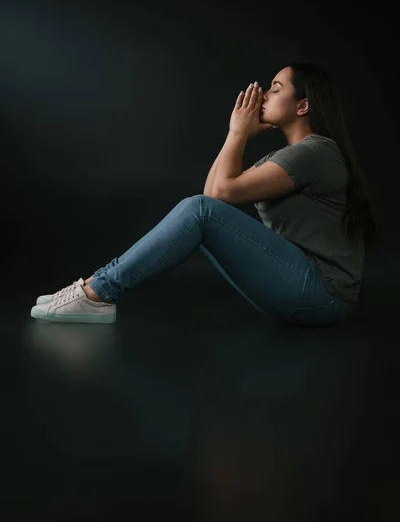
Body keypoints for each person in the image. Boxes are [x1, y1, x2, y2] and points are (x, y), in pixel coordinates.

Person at [30, 61, 381, 327]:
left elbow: (212, 202)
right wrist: (236, 132)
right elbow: (212, 197)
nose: (264, 95)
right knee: (199, 210)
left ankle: (97, 293)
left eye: (275, 88)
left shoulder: (314, 152)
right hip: (306, 292)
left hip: (322, 295)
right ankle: (95, 287)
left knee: (198, 210)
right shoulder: (288, 157)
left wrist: (238, 133)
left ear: (302, 106)